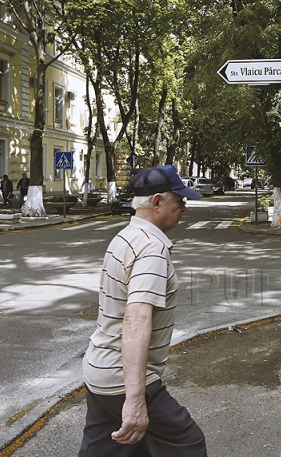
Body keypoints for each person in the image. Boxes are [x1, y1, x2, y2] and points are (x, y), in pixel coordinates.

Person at [79, 165, 207, 457]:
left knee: (116, 449)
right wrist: (135, 400)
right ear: (157, 202)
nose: (184, 208)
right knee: (187, 443)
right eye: (180, 201)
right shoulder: (151, 248)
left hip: (100, 369)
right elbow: (135, 318)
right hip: (122, 380)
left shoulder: (125, 237)